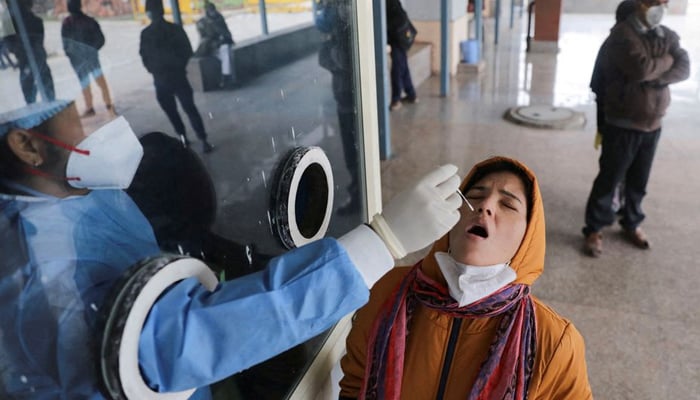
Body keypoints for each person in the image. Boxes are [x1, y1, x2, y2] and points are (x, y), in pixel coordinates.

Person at [0, 100, 462, 398]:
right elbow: (167, 345)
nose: (108, 114)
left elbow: (145, 264)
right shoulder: (37, 270)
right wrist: (382, 242)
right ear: (26, 144)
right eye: (82, 112)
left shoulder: (82, 190)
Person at [340, 156, 593, 399]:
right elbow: (354, 384)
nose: (485, 206)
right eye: (474, 196)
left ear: (528, 238)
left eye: (507, 204)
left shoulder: (554, 341)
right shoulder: (386, 289)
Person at [582, 0, 689, 257]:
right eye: (657, 2)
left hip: (653, 124)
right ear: (641, 3)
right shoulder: (621, 35)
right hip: (622, 123)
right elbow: (641, 70)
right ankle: (595, 228)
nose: (662, 6)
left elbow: (684, 66)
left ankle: (631, 222)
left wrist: (656, 77)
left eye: (665, 2)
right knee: (610, 178)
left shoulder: (665, 34)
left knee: (639, 180)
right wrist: (665, 63)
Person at [139, 0, 215, 153]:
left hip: (160, 81)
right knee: (190, 109)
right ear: (162, 11)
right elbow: (187, 51)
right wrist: (178, 66)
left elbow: (144, 57)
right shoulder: (175, 29)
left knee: (171, 112)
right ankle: (203, 140)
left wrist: (154, 70)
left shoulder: (146, 34)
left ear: (148, 13)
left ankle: (183, 138)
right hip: (179, 77)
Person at [590, 0, 637, 216]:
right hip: (615, 120)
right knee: (612, 169)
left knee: (632, 172)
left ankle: (624, 209)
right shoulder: (614, 45)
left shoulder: (640, 44)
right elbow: (598, 86)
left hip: (640, 123)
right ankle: (598, 220)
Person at [61, 0, 116, 118]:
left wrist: (76, 55)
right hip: (87, 59)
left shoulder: (68, 23)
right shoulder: (88, 21)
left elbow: (66, 44)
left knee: (87, 83)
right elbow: (100, 39)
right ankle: (107, 105)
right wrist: (92, 50)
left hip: (81, 60)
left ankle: (94, 107)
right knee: (99, 82)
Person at [4, 0, 55, 104]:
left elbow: (9, 42)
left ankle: (42, 102)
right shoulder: (12, 19)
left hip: (30, 56)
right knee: (36, 82)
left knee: (34, 83)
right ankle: (44, 102)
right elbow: (9, 42)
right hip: (29, 57)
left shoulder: (11, 19)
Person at [195, 1, 235, 88]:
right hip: (209, 49)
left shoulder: (219, 19)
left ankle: (227, 78)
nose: (212, 12)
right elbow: (204, 39)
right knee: (227, 52)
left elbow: (227, 34)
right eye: (210, 10)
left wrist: (222, 39)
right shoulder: (202, 22)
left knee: (226, 50)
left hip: (219, 48)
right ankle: (227, 78)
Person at [386, 0, 417, 111]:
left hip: (397, 36)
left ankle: (396, 99)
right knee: (402, 65)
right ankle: (411, 94)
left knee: (397, 68)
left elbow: (391, 19)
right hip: (399, 35)